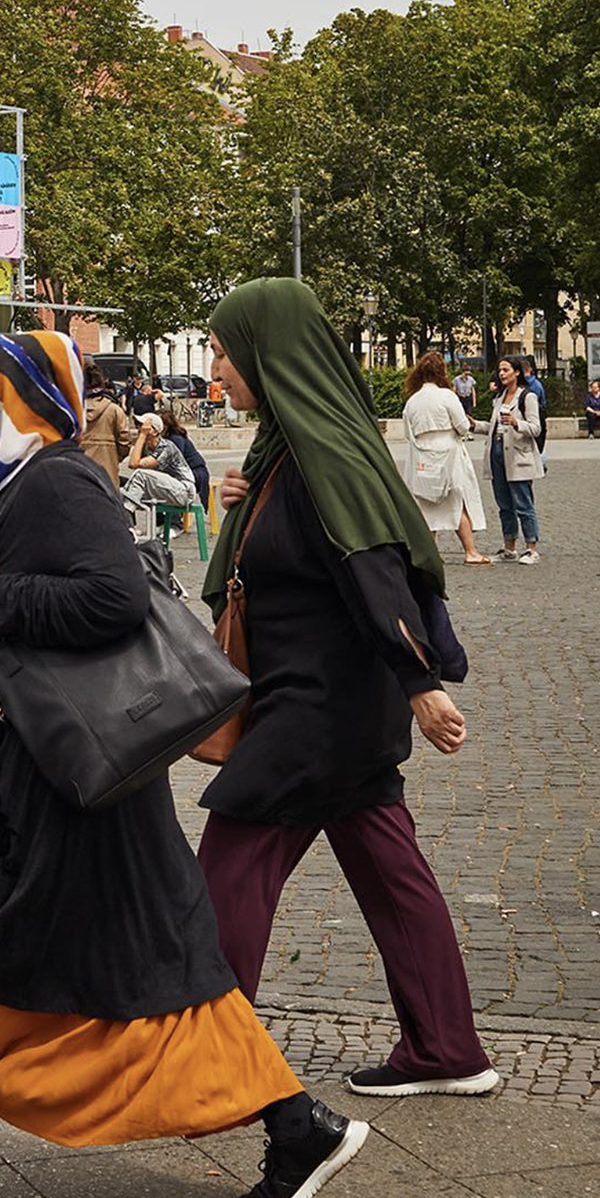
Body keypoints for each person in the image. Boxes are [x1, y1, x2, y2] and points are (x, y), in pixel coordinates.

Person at [0, 330, 370, 1198]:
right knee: (138, 969)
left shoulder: (57, 480)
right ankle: (295, 1127)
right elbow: (14, 638)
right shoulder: (32, 480)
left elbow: (107, 601)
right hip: (60, 779)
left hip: (45, 786)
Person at [197, 278, 497, 1100]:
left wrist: (420, 683)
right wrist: (246, 502)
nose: (217, 368)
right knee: (391, 874)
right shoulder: (294, 451)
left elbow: (373, 567)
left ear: (268, 351)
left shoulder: (318, 456)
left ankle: (204, 1061)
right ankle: (444, 1047)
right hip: (335, 712)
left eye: (224, 351)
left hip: (314, 713)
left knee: (227, 871)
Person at [402, 352, 490, 566]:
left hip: (422, 455)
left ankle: (430, 553)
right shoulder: (447, 396)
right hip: (448, 453)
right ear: (442, 372)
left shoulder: (412, 401)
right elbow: (461, 426)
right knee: (456, 502)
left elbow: (407, 432)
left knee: (426, 505)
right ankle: (471, 552)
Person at [477, 356, 544, 565]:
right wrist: (474, 425)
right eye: (500, 370)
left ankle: (531, 548)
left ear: (517, 372)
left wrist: (517, 423)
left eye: (506, 370)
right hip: (497, 453)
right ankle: (509, 547)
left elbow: (535, 428)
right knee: (504, 504)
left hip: (517, 455)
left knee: (523, 503)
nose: (502, 374)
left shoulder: (527, 397)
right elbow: (493, 427)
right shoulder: (499, 397)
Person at [122, 412, 196, 513]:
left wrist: (143, 435)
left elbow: (134, 464)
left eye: (143, 426)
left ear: (155, 431)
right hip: (164, 488)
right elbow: (132, 462)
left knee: (140, 475)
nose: (140, 428)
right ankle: (127, 521)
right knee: (121, 489)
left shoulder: (166, 447)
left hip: (184, 491)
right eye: (139, 426)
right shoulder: (145, 447)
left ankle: (126, 516)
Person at [79, 363, 132, 488]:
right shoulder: (114, 410)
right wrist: (113, 457)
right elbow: (125, 440)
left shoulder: (74, 412)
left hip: (79, 471)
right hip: (107, 472)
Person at [160, 408, 211, 506]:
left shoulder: (175, 439)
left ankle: (173, 518)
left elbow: (172, 463)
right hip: (185, 472)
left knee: (167, 485)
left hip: (195, 473)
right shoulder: (165, 439)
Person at [519, 356, 549, 454]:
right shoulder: (537, 384)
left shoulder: (519, 386)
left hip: (522, 419)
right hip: (538, 417)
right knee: (538, 448)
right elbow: (543, 402)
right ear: (530, 370)